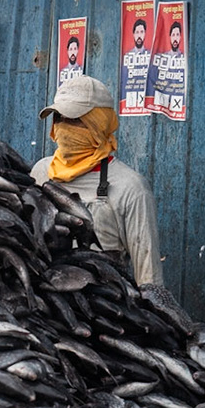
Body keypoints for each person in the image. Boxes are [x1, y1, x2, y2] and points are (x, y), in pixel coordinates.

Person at [33, 73, 161, 285]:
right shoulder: (41, 172)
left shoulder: (131, 188)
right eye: (59, 118)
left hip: (104, 300)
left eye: (74, 119)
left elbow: (149, 276)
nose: (63, 127)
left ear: (99, 122)